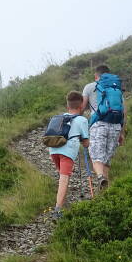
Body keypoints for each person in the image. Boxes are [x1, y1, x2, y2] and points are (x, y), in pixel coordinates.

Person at [81, 65, 126, 189]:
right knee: (106, 159)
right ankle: (105, 191)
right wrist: (121, 132)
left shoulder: (90, 87)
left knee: (96, 157)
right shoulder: (115, 88)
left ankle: (101, 177)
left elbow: (82, 108)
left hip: (98, 125)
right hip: (116, 125)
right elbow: (123, 111)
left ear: (96, 76)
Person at [48, 90, 89, 220]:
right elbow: (86, 143)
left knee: (62, 177)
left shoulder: (59, 117)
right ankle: (57, 211)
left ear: (67, 106)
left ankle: (62, 202)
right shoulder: (82, 120)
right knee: (64, 179)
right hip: (67, 152)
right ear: (81, 106)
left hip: (53, 149)